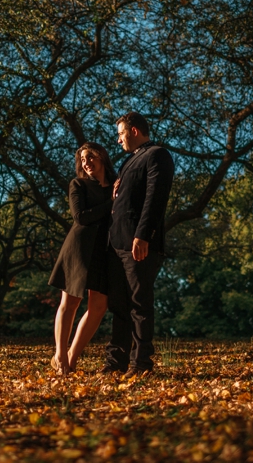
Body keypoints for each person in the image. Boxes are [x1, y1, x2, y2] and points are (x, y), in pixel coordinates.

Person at [102, 112, 174, 377]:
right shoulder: (127, 163)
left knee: (139, 304)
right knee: (119, 306)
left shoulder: (157, 154)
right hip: (116, 243)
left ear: (133, 131)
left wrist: (143, 235)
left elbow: (156, 197)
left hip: (138, 242)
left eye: (121, 133)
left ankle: (141, 364)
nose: (118, 139)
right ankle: (115, 362)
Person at [48, 142, 118, 374]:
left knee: (99, 306)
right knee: (70, 304)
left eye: (90, 157)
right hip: (79, 246)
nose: (86, 163)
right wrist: (111, 204)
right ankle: (61, 356)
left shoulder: (118, 185)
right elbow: (81, 217)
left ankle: (71, 357)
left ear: (102, 157)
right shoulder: (78, 184)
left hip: (104, 249)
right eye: (83, 159)